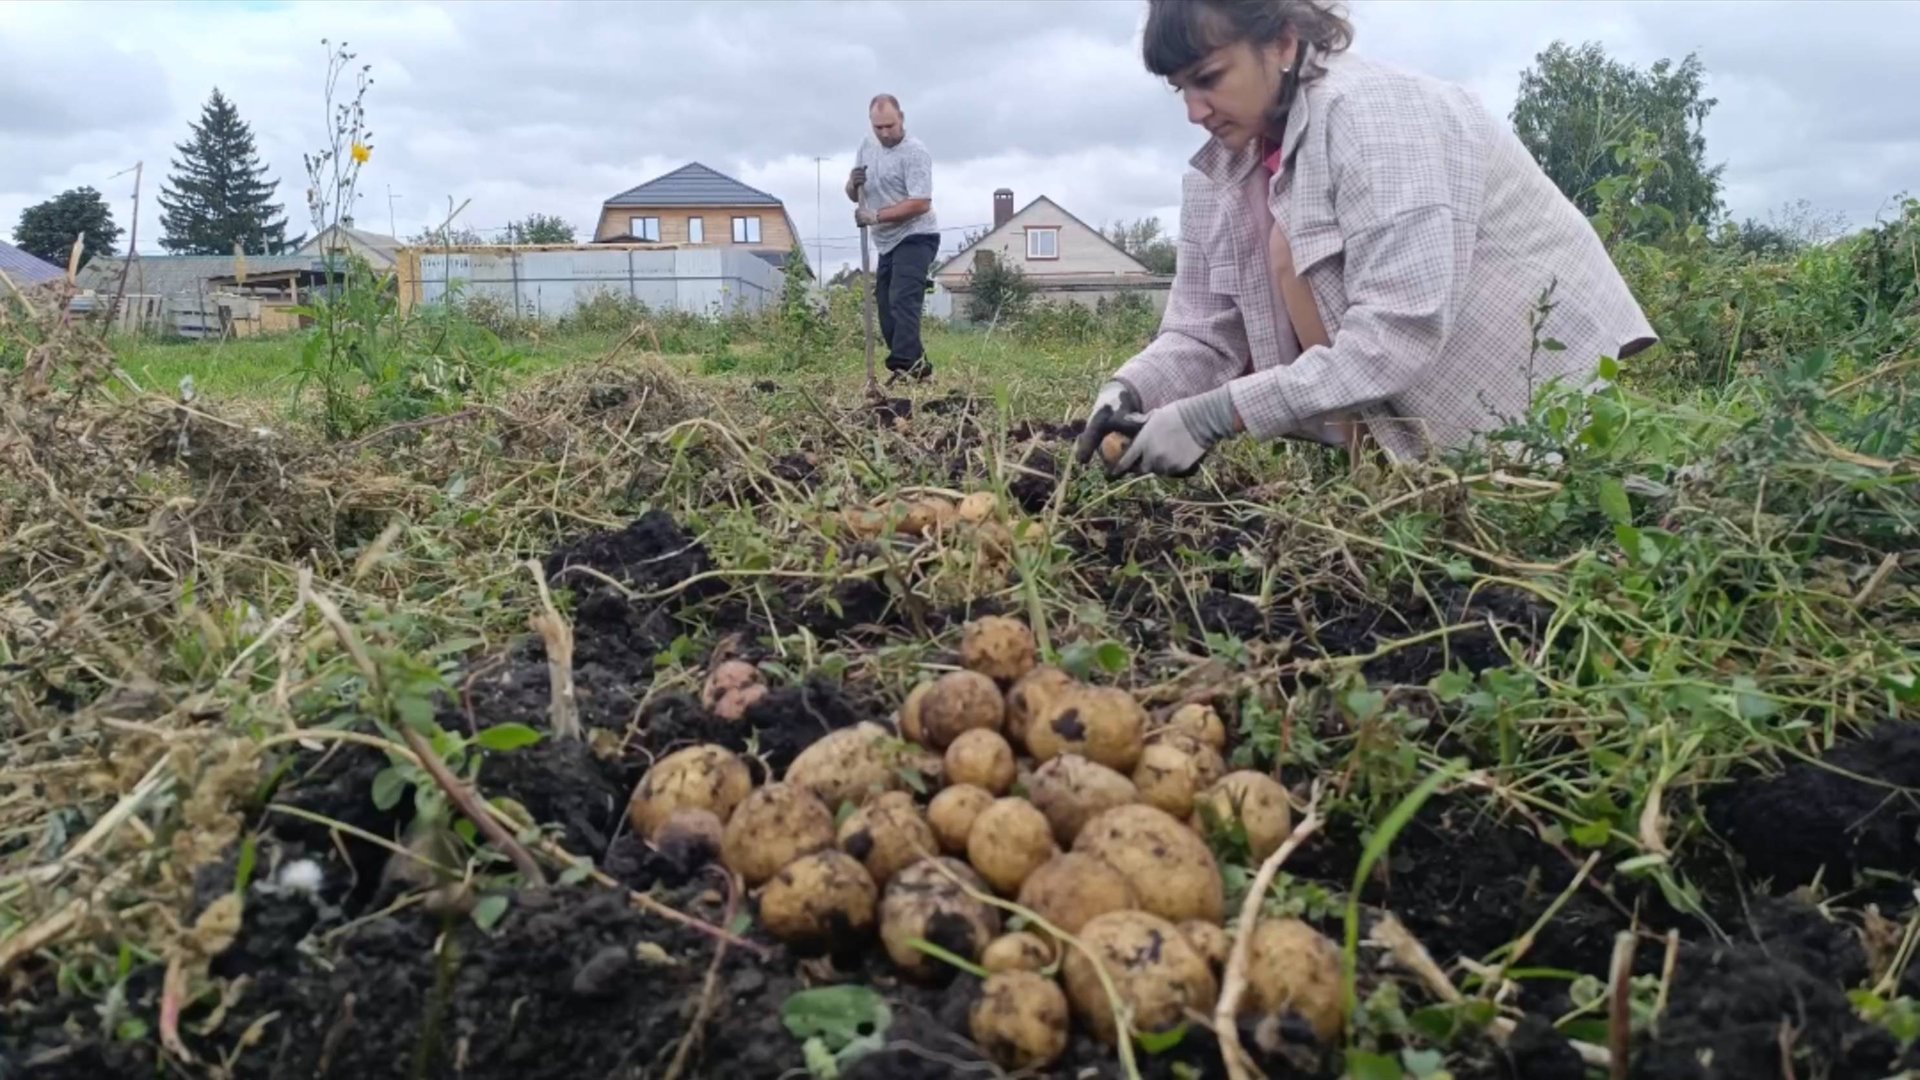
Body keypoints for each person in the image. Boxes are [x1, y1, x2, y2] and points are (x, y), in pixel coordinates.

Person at [1076, 0, 1656, 477]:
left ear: (1280, 43)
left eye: (1209, 79)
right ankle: (1393, 485)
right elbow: (1203, 331)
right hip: (1410, 400)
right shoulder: (1225, 170)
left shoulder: (1374, 117)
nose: (1195, 110)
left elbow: (1397, 332)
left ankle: (1473, 483)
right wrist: (1130, 388)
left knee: (1289, 246)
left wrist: (1216, 414)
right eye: (1181, 89)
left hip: (1521, 386)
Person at [847, 93, 941, 380]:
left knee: (903, 299)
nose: (885, 133)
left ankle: (903, 367)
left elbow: (920, 203)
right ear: (871, 124)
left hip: (917, 235)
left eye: (890, 126)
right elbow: (853, 195)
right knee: (887, 308)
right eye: (879, 128)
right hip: (886, 242)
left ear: (901, 118)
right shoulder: (866, 147)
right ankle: (919, 369)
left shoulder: (915, 153)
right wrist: (853, 183)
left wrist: (875, 216)